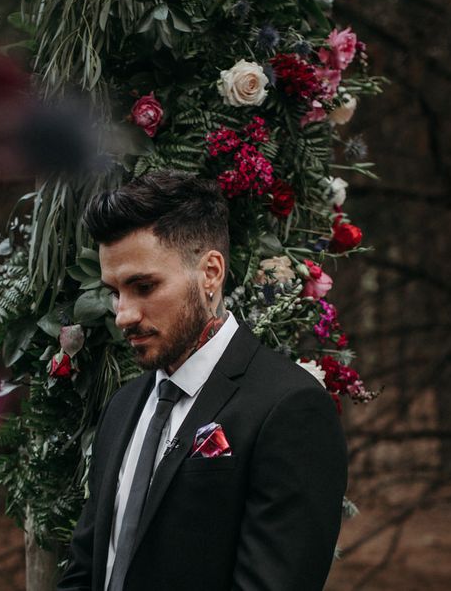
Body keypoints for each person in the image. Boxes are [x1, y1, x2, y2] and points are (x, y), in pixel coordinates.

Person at [58, 170, 347, 591]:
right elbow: (86, 570)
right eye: (115, 291)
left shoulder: (289, 407)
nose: (123, 314)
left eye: (144, 286)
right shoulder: (123, 407)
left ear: (210, 272)